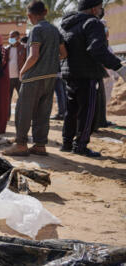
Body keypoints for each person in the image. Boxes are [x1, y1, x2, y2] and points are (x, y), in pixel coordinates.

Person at [59, 0, 126, 157]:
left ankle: (66, 143)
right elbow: (97, 49)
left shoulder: (67, 25)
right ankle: (81, 146)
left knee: (71, 110)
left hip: (70, 73)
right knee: (87, 111)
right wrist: (119, 67)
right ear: (95, 8)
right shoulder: (93, 23)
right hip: (87, 73)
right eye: (100, 7)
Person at [3, 1, 67, 156]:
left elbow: (33, 55)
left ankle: (21, 144)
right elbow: (64, 54)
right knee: (43, 112)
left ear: (29, 15)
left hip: (33, 78)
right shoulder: (54, 30)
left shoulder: (36, 30)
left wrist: (23, 71)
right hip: (51, 77)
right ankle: (40, 145)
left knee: (23, 111)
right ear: (45, 12)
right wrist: (49, 62)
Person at [5, 30, 27, 119]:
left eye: (12, 37)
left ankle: (22, 117)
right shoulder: (6, 49)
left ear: (18, 38)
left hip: (20, 78)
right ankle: (7, 117)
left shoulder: (24, 48)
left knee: (23, 98)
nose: (10, 39)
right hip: (8, 78)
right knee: (7, 99)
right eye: (9, 37)